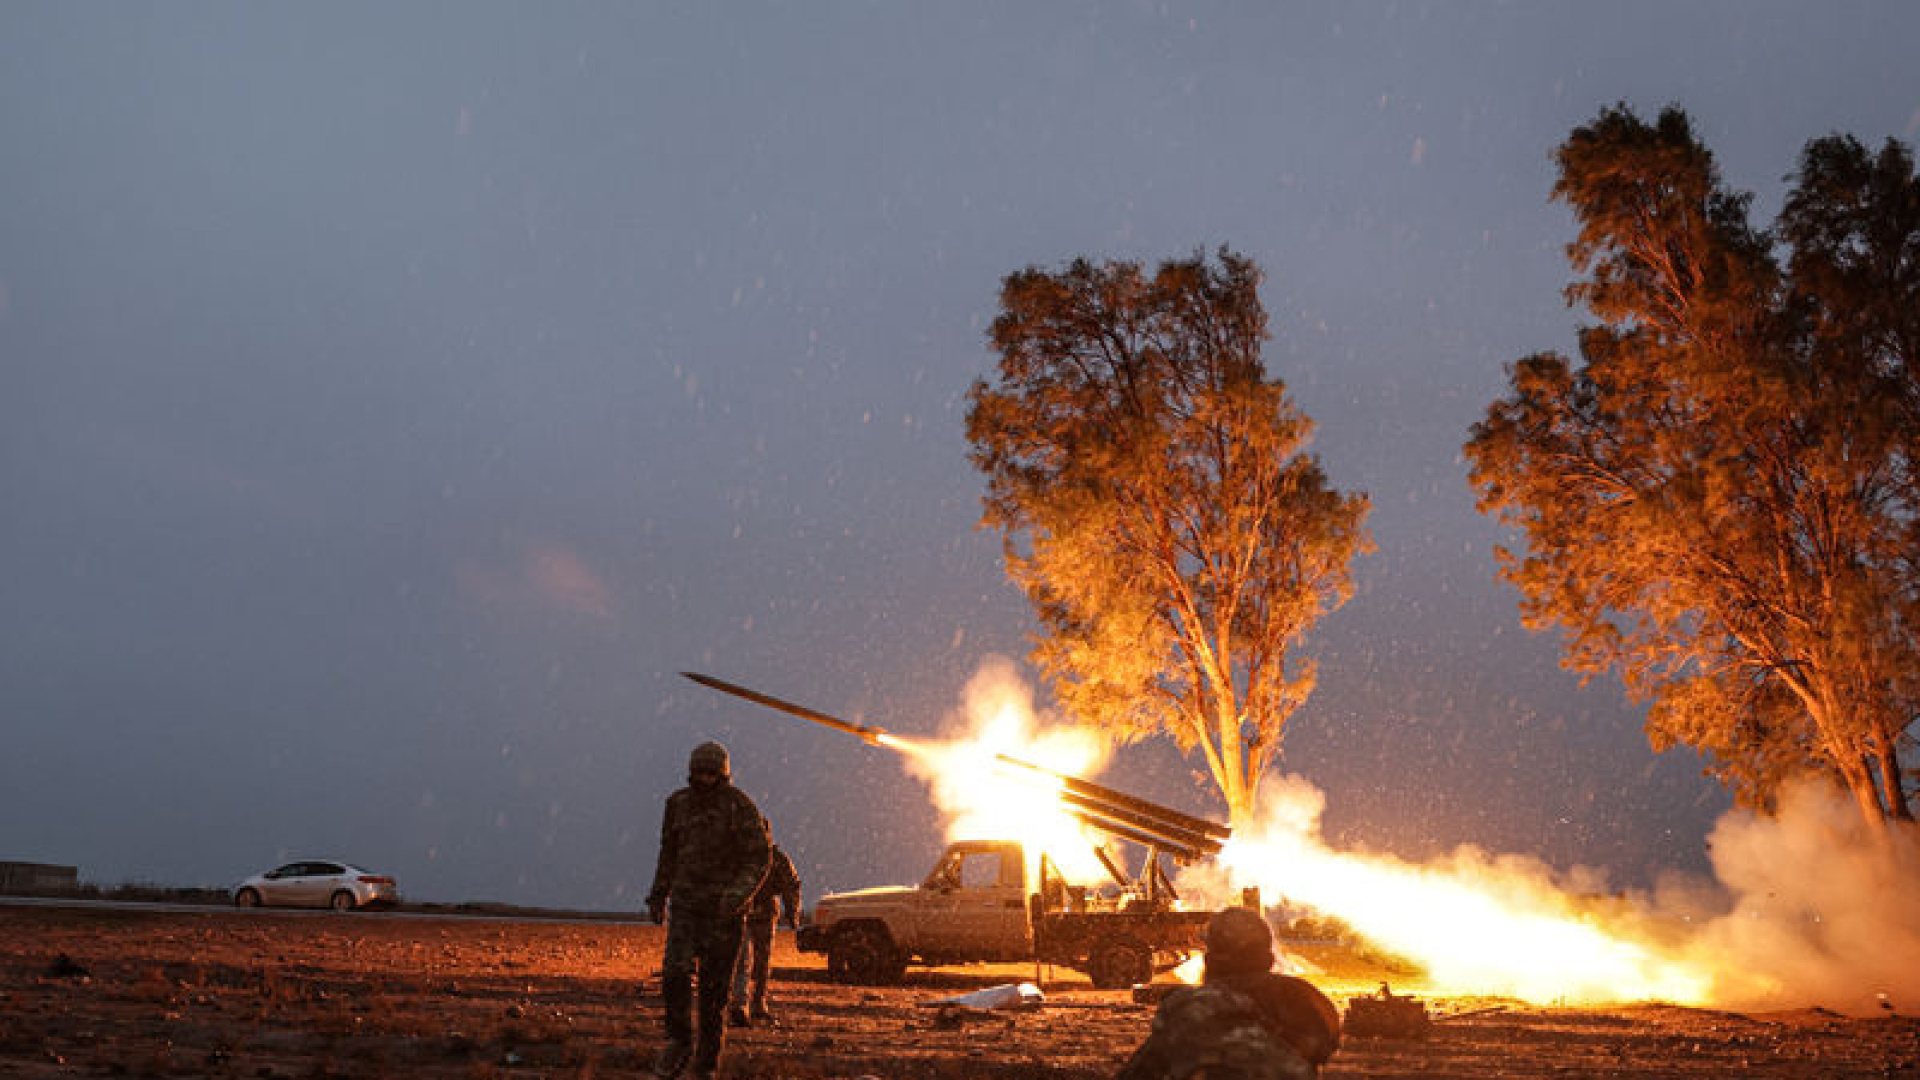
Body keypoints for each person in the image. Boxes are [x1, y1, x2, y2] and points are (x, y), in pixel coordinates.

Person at [646, 741, 771, 1080]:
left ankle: (706, 1065)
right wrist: (658, 894)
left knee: (715, 996)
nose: (704, 778)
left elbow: (759, 856)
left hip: (724, 915)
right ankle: (679, 1041)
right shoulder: (677, 805)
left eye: (711, 772)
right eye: (699, 771)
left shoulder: (740, 806)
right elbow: (668, 853)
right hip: (686, 908)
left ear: (723, 773)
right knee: (674, 974)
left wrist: (736, 895)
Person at [1115, 907, 1341, 1080]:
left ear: (1212, 957)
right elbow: (1321, 1050)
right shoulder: (1304, 997)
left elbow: (1142, 1070)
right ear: (1267, 955)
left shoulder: (1190, 1005)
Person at [728, 841, 801, 1027]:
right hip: (746, 913)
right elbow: (791, 884)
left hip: (759, 914)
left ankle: (753, 1003)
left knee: (756, 962)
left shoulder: (772, 858)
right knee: (746, 961)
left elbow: (791, 884)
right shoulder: (767, 857)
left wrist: (793, 913)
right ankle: (746, 1004)